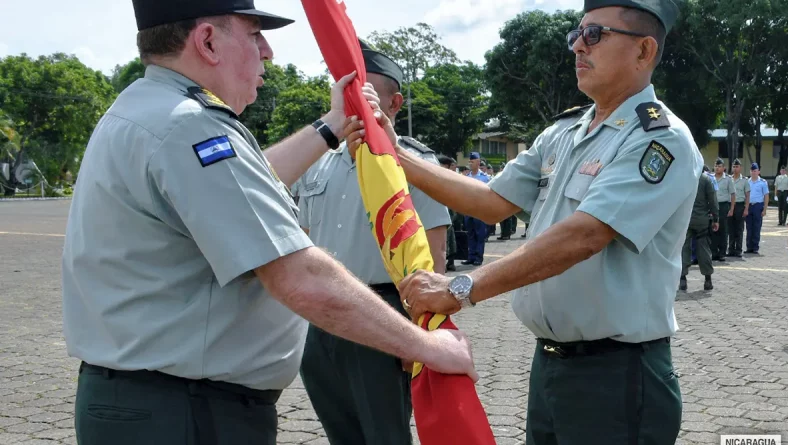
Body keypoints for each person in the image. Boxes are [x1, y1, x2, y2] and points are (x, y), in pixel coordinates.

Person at [61, 3, 476, 444]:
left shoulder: (147, 109)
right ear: (206, 41)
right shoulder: (191, 127)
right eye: (255, 34)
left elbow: (249, 186)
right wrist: (427, 347)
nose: (269, 51)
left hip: (149, 402)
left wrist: (332, 125)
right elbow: (298, 276)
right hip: (187, 413)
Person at [346, 0, 698, 443]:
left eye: (595, 35)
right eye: (576, 34)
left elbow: (585, 235)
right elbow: (492, 200)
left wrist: (462, 288)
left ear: (644, 51)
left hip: (616, 375)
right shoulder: (565, 132)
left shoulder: (659, 138)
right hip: (551, 366)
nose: (577, 47)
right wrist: (395, 154)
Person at [293, 41, 453, 445]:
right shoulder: (317, 162)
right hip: (322, 319)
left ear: (394, 102)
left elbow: (433, 256)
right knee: (340, 430)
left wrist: (419, 335)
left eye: (363, 92)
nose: (352, 103)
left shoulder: (414, 166)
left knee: (385, 434)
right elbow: (306, 241)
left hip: (383, 313)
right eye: (345, 92)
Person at [680, 170, 719, 291]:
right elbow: (712, 201)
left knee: (684, 249)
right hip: (702, 220)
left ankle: (682, 279)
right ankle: (708, 279)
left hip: (686, 219)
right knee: (703, 249)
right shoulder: (706, 180)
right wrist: (716, 219)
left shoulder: (684, 177)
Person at [463, 152, 491, 265]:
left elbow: (489, 194)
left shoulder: (485, 178)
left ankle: (479, 257)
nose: (470, 164)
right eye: (469, 161)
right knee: (470, 234)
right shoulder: (466, 177)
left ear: (478, 162)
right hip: (469, 210)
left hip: (480, 210)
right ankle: (471, 257)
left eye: (472, 161)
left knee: (480, 234)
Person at [437, 155, 460, 271]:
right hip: (442, 211)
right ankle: (445, 263)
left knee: (450, 239)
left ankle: (450, 262)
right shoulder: (440, 176)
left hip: (450, 211)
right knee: (445, 239)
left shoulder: (449, 177)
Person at [712, 158, 736, 262]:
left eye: (719, 166)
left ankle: (722, 252)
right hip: (713, 206)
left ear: (724, 168)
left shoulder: (728, 179)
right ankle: (714, 252)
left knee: (723, 230)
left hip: (723, 206)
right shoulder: (710, 178)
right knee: (713, 229)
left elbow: (733, 194)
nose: (717, 168)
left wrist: (731, 209)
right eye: (716, 166)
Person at [728, 158, 751, 257]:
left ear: (740, 168)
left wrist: (746, 208)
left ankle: (738, 250)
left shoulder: (744, 180)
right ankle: (731, 250)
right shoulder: (729, 179)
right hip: (731, 205)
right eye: (734, 166)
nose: (735, 168)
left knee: (739, 228)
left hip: (740, 205)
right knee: (730, 229)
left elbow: (747, 195)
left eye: (737, 167)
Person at [746, 162, 769, 254]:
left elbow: (766, 196)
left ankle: (755, 247)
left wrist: (765, 209)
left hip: (758, 206)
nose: (753, 172)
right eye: (752, 171)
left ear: (758, 171)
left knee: (756, 227)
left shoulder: (763, 182)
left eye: (755, 171)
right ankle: (749, 247)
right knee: (749, 227)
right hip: (749, 206)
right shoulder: (747, 182)